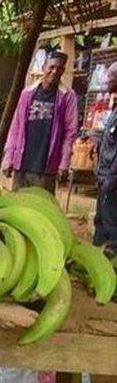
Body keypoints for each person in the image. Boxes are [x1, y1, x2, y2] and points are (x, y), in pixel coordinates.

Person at [2, 50, 79, 194]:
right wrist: (8, 158)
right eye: (52, 67)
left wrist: (64, 163)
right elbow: (15, 128)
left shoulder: (67, 96)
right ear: (43, 67)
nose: (55, 71)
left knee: (41, 206)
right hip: (22, 165)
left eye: (59, 68)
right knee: (18, 204)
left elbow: (70, 133)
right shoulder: (27, 94)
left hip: (46, 168)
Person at [93, 61, 117, 252]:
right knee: (100, 221)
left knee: (111, 226)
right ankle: (95, 259)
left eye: (110, 76)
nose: (106, 79)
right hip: (105, 178)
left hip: (112, 180)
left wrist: (112, 178)